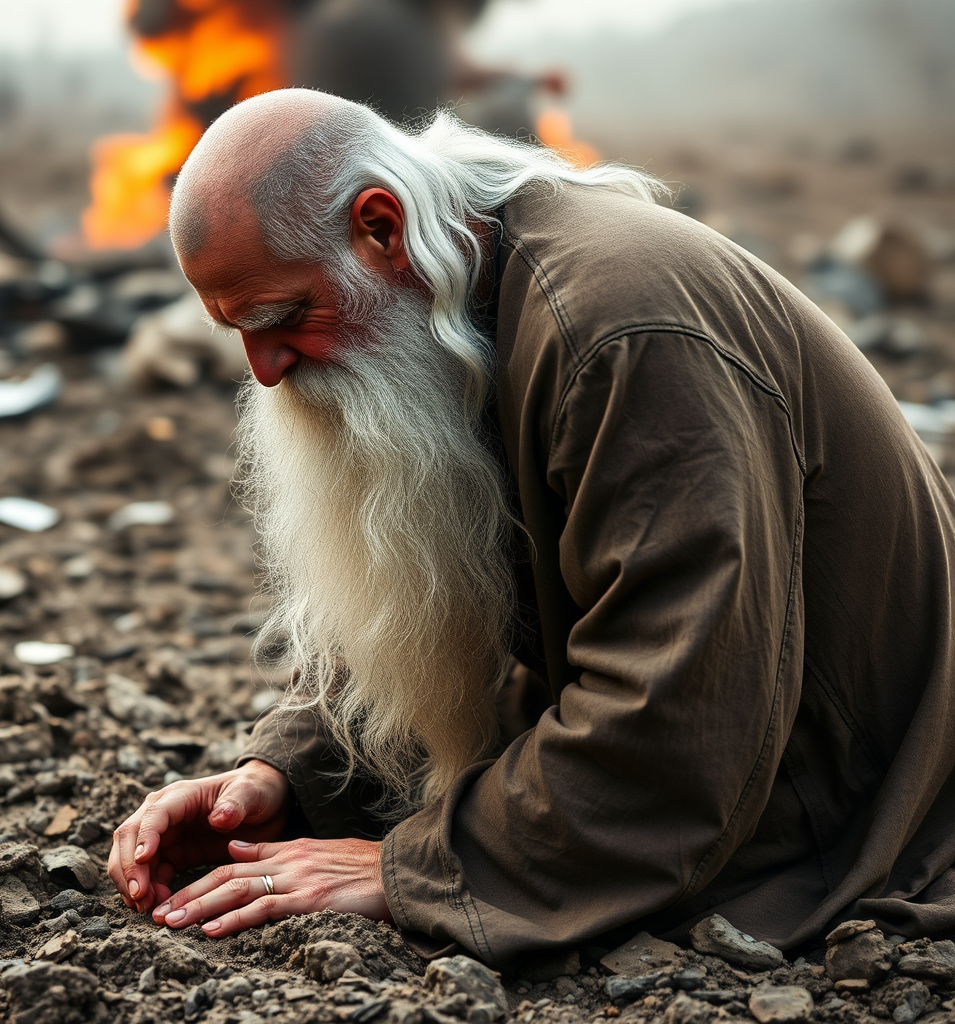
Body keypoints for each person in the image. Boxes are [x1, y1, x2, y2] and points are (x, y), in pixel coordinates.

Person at [108, 88, 955, 968]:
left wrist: (416, 870)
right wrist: (283, 780)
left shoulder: (623, 334)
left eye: (281, 319)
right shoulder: (462, 285)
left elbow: (683, 722)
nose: (266, 371)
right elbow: (438, 611)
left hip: (852, 794)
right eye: (237, 334)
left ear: (381, 229)